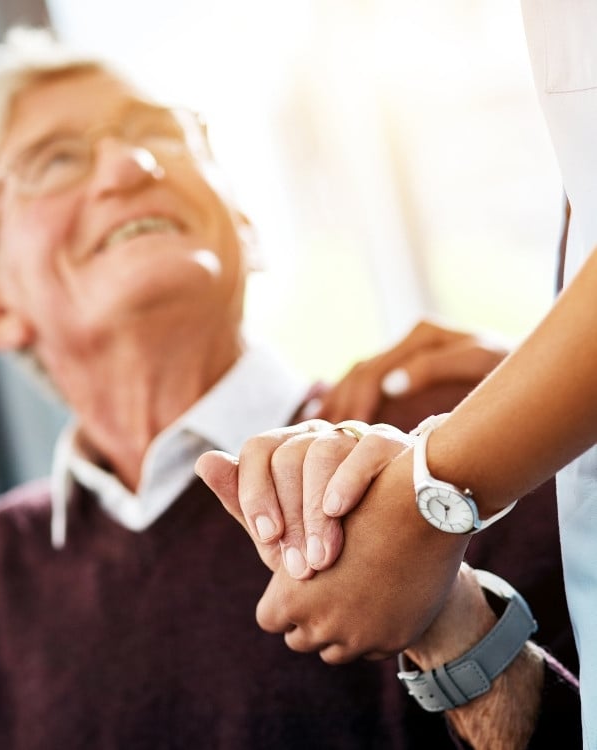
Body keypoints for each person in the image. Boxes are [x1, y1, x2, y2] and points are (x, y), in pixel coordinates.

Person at [0, 26, 579, 750]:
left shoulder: (470, 440)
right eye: (57, 159)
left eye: (162, 135)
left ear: (246, 227)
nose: (130, 165)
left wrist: (454, 622)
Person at [196, 0, 597, 746]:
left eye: (179, 139)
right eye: (58, 158)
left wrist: (431, 493)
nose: (132, 166)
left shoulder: (447, 420)